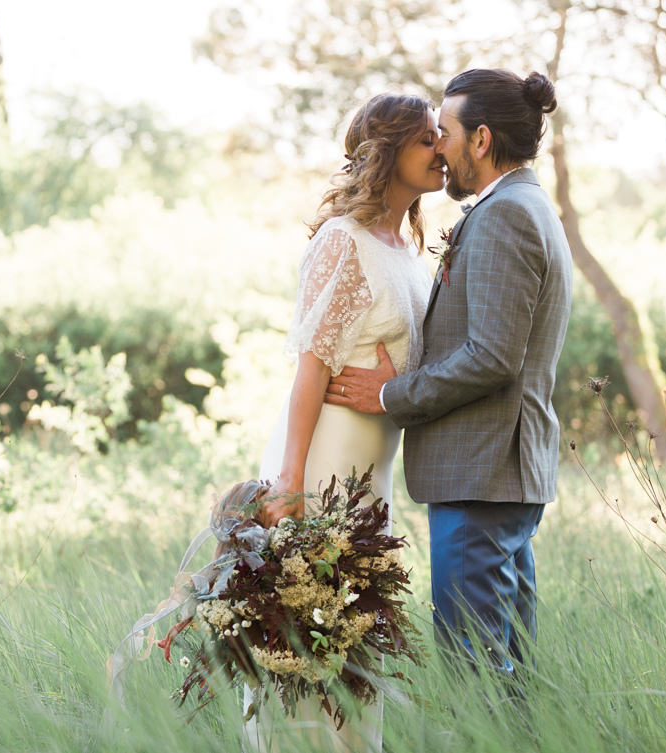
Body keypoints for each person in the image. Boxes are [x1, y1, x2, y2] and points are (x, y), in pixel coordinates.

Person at [325, 68, 573, 682]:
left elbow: (491, 356)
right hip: (497, 472)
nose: (440, 146)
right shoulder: (522, 205)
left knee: (475, 668)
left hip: (481, 472)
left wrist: (389, 394)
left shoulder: (505, 215)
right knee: (505, 661)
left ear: (482, 140)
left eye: (448, 132)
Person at [250, 93, 444, 753]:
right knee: (310, 639)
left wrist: (399, 386)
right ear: (387, 154)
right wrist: (288, 481)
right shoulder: (344, 240)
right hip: (325, 465)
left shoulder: (404, 245)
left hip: (372, 479)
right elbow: (312, 368)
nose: (441, 147)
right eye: (426, 137)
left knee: (359, 644)